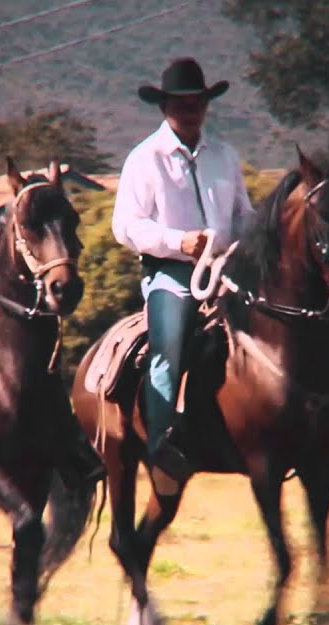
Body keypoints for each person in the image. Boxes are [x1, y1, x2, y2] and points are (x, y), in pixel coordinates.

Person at [112, 58, 254, 489]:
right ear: (165, 107)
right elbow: (126, 227)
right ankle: (161, 445)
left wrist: (260, 239)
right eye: (181, 103)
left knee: (286, 320)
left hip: (228, 268)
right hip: (172, 274)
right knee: (168, 344)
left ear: (207, 104)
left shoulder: (225, 156)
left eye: (197, 102)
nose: (191, 109)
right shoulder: (145, 159)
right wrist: (179, 242)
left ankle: (310, 433)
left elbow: (243, 216)